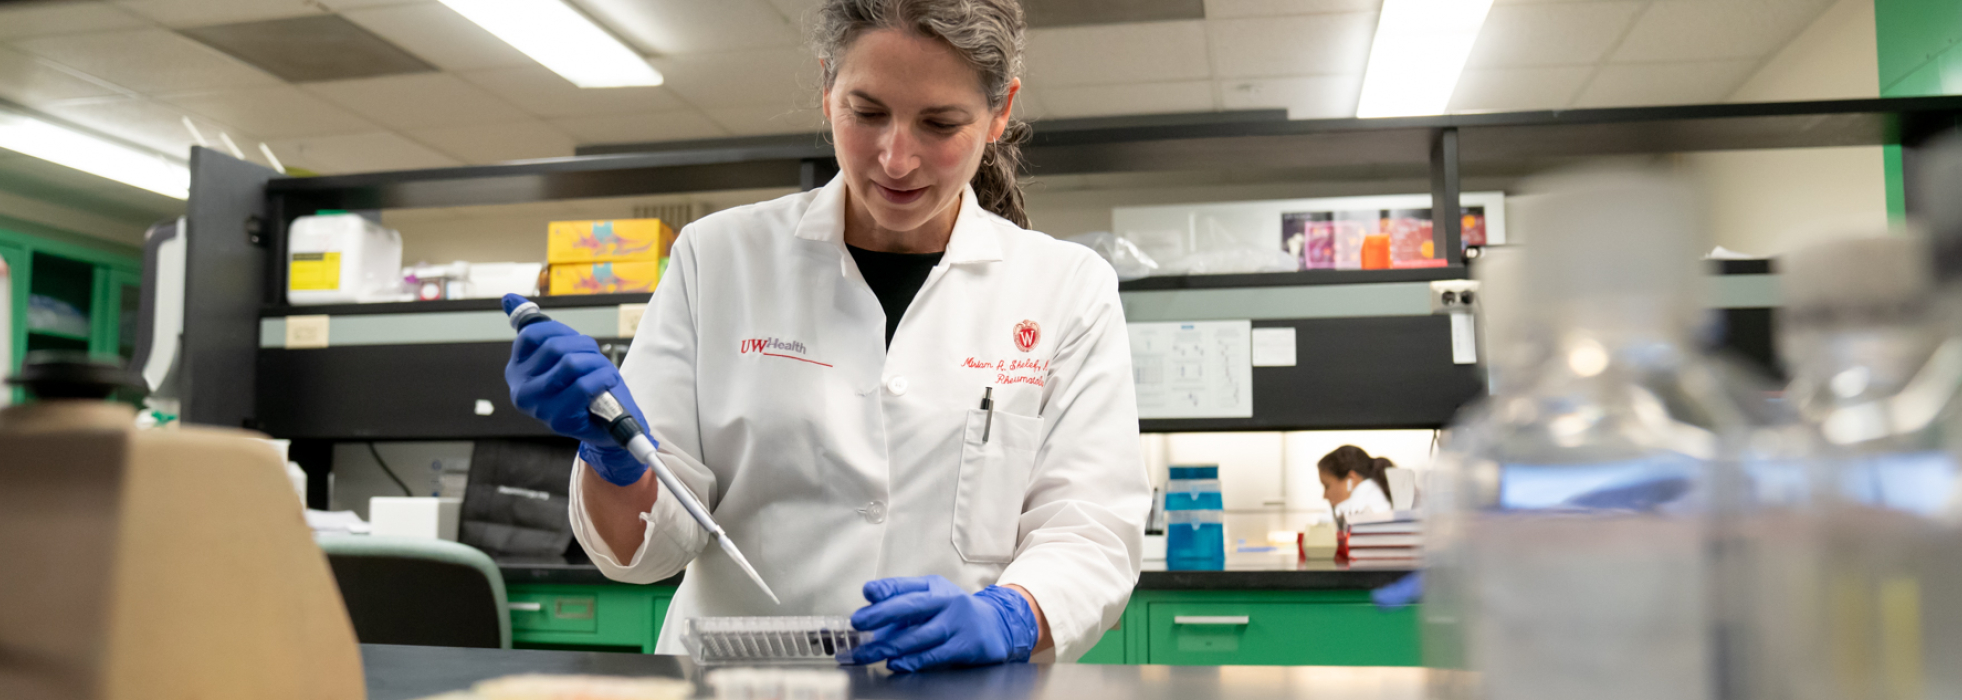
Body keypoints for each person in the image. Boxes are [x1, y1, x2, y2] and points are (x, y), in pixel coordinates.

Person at [501, 0, 1148, 672]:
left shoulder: (1065, 286)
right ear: (827, 87)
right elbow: (646, 554)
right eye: (866, 112)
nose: (897, 158)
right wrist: (617, 459)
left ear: (1000, 111)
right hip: (742, 682)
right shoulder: (718, 258)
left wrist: (1009, 616)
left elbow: (1092, 529)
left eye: (940, 123)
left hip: (959, 688)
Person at [1318, 445, 1394, 518]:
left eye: (1327, 486)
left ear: (1351, 479)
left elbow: (1326, 520)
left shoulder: (1345, 514)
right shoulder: (1382, 500)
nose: (1325, 496)